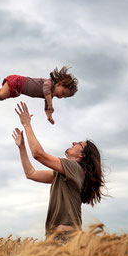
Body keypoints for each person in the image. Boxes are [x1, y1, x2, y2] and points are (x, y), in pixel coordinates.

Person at [12, 102, 105, 240]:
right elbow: (31, 174)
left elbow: (38, 154)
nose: (73, 142)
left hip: (66, 236)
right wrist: (22, 148)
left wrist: (27, 124)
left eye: (78, 144)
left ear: (82, 155)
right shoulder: (63, 173)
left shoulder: (75, 168)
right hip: (56, 236)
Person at [0, 66, 78, 124]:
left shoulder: (50, 96)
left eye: (63, 97)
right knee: (0, 95)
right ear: (60, 83)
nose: (60, 96)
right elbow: (46, 90)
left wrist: (49, 116)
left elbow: (47, 107)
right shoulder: (49, 83)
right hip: (17, 81)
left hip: (17, 91)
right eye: (62, 93)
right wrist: (50, 103)